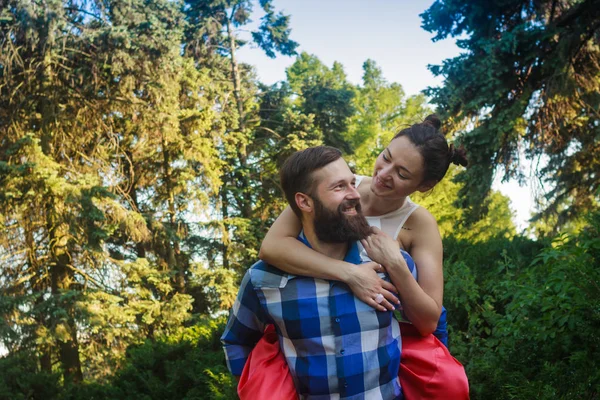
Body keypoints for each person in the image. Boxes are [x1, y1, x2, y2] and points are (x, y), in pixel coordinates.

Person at [257, 115, 470, 399]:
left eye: (402, 174)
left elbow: (429, 320)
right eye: (386, 157)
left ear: (424, 185)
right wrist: (350, 273)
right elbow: (272, 247)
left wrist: (395, 264)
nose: (384, 173)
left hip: (381, 343)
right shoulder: (337, 187)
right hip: (314, 334)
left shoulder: (419, 224)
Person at [221, 146, 407, 399]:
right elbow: (237, 341)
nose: (355, 194)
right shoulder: (263, 279)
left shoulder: (389, 262)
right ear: (304, 202)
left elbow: (428, 324)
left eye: (353, 183)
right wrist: (260, 390)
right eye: (339, 187)